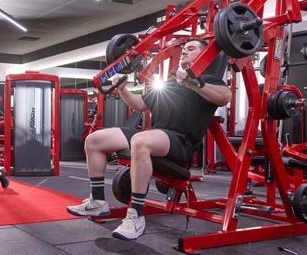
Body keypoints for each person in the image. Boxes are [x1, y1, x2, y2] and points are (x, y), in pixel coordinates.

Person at [67, 39, 231, 242]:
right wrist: (123, 89)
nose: (184, 52)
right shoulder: (170, 83)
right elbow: (139, 105)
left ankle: (135, 216)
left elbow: (225, 97)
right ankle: (98, 202)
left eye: (191, 49)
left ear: (205, 55)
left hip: (180, 142)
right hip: (157, 135)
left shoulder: (209, 81)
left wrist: (193, 83)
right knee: (94, 140)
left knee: (140, 140)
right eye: (184, 48)